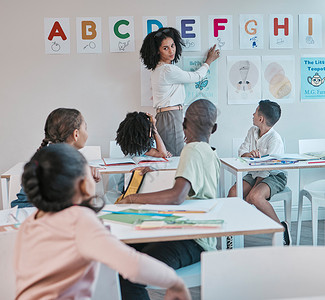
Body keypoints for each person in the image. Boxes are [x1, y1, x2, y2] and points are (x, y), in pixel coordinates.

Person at [14, 143, 191, 300]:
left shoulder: (31, 222)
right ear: (83, 184)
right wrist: (174, 282)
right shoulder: (79, 220)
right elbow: (133, 266)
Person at [118, 99, 220, 300]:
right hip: (194, 233)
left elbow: (177, 196)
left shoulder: (191, 150)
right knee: (125, 251)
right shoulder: (210, 153)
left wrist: (132, 198)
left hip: (192, 239)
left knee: (128, 273)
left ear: (183, 125)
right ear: (214, 128)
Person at [140, 27, 220, 156]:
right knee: (175, 157)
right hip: (171, 116)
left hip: (167, 116)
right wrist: (209, 60)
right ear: (157, 51)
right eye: (165, 48)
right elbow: (196, 77)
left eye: (172, 45)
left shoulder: (158, 69)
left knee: (170, 155)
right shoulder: (167, 70)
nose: (171, 51)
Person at [227, 100, 291, 245]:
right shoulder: (252, 131)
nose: (253, 114)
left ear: (261, 118)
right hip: (254, 172)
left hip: (274, 175)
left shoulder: (275, 140)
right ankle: (231, 233)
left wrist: (253, 190)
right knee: (233, 193)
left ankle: (281, 230)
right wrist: (248, 154)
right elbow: (241, 151)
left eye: (255, 112)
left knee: (255, 197)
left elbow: (268, 169)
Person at [11, 108, 100, 208]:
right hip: (45, 216)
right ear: (76, 134)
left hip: (27, 214)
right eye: (85, 128)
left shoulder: (45, 157)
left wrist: (85, 170)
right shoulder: (67, 163)